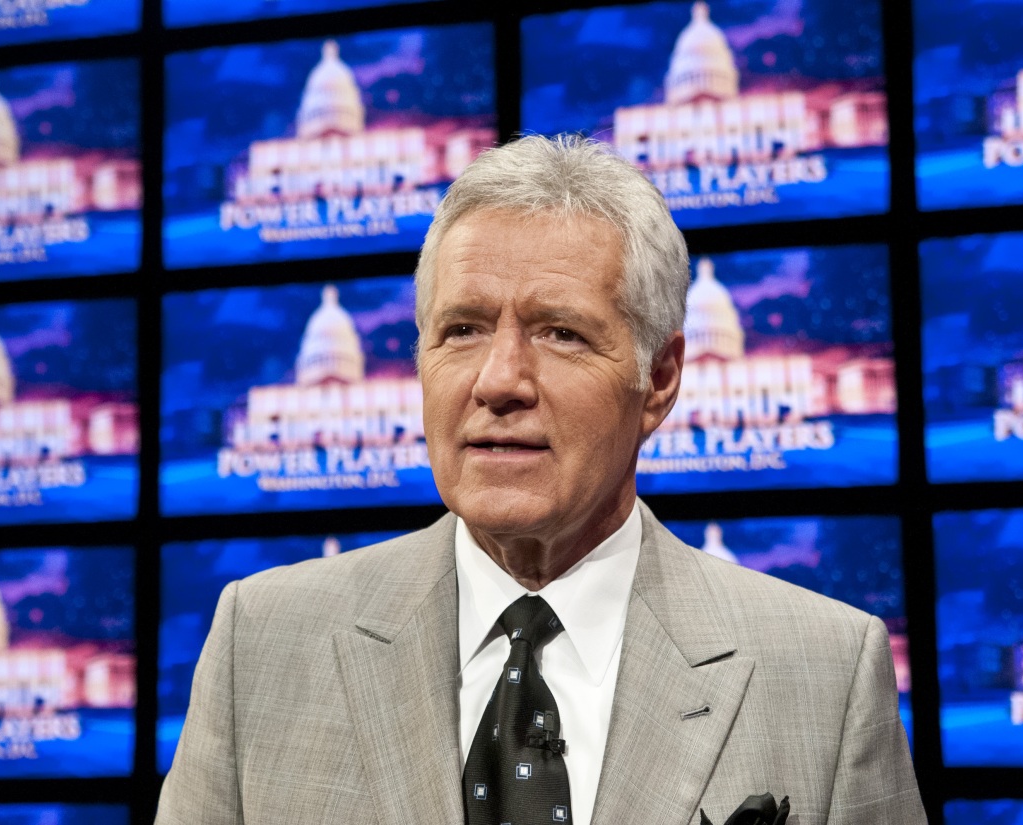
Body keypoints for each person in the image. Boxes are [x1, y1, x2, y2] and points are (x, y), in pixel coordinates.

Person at [156, 135, 926, 825]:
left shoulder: (825, 673)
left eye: (561, 332)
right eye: (462, 329)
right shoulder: (261, 643)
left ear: (658, 378)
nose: (499, 380)